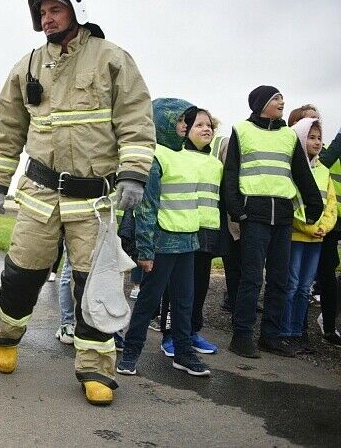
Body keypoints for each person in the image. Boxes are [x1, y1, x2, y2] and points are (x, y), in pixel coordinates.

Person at [0, 0, 155, 405]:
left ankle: (95, 368)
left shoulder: (112, 58)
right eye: (42, 12)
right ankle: (7, 336)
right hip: (39, 194)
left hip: (93, 199)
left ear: (76, 10)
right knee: (21, 273)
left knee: (95, 283)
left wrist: (134, 172)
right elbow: (7, 126)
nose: (47, 19)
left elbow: (135, 118)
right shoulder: (27, 66)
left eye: (55, 10)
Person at [223, 86, 323, 358]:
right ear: (261, 104)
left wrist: (315, 205)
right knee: (252, 278)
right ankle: (241, 336)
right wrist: (237, 211)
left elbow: (301, 172)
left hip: (282, 215)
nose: (281, 102)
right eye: (275, 98)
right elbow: (231, 173)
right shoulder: (242, 130)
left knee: (279, 279)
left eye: (281, 98)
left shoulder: (289, 135)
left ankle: (270, 336)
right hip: (253, 215)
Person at [118, 98, 210, 378]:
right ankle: (130, 353)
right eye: (180, 120)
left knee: (184, 303)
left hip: (187, 242)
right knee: (148, 302)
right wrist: (145, 251)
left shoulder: (187, 155)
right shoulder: (155, 157)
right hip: (162, 243)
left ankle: (183, 353)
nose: (185, 125)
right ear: (163, 121)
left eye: (186, 120)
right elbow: (146, 209)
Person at [158, 108, 222, 357]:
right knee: (176, 288)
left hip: (207, 231)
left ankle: (192, 332)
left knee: (200, 286)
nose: (206, 129)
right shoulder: (178, 156)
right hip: (182, 230)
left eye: (209, 125)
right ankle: (170, 335)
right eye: (199, 125)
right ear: (186, 130)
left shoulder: (216, 163)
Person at [281, 117, 336, 350]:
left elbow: (331, 205)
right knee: (292, 285)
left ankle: (297, 332)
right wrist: (310, 228)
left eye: (319, 138)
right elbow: (291, 205)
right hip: (296, 237)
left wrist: (325, 227)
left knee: (305, 288)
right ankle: (284, 331)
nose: (316, 142)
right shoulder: (292, 169)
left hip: (317, 239)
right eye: (311, 137)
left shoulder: (324, 171)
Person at [316, 127, 341, 346]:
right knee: (327, 271)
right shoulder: (331, 150)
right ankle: (329, 322)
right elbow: (323, 162)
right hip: (330, 219)